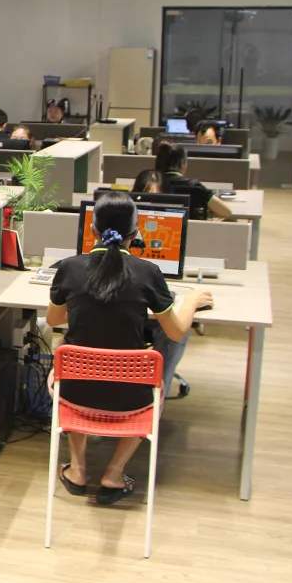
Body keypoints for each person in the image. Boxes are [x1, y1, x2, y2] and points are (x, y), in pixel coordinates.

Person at [47, 193, 213, 504]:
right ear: (135, 233)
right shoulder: (148, 272)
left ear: (92, 230)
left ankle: (78, 470)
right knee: (155, 376)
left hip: (75, 395)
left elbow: (54, 320)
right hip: (132, 399)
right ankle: (114, 473)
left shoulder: (69, 268)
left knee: (68, 355)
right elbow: (176, 332)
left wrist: (85, 304)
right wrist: (191, 300)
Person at [154, 141, 232, 220]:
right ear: (182, 164)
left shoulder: (150, 185)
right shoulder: (195, 187)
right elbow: (226, 212)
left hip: (154, 227)